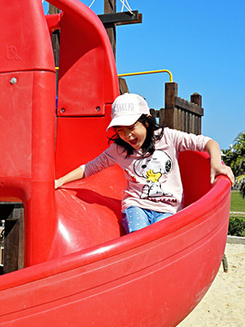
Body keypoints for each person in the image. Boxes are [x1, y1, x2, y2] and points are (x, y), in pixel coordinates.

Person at [55, 93, 235, 234]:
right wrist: (60, 181)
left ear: (147, 122)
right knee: (140, 235)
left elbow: (207, 142)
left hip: (168, 208)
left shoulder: (168, 137)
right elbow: (89, 168)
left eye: (131, 128)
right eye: (120, 130)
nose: (127, 135)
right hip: (137, 205)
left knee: (160, 236)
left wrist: (216, 163)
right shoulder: (118, 150)